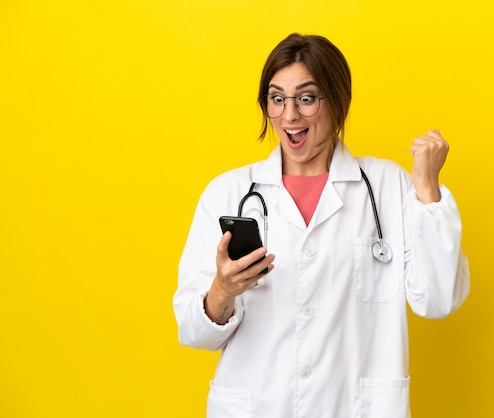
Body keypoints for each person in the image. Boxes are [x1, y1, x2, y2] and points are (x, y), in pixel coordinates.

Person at [174, 33, 469, 418]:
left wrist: (428, 187)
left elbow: (438, 299)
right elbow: (193, 332)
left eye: (307, 98)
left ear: (338, 100)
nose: (289, 115)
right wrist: (222, 290)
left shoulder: (387, 186)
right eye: (277, 99)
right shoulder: (228, 192)